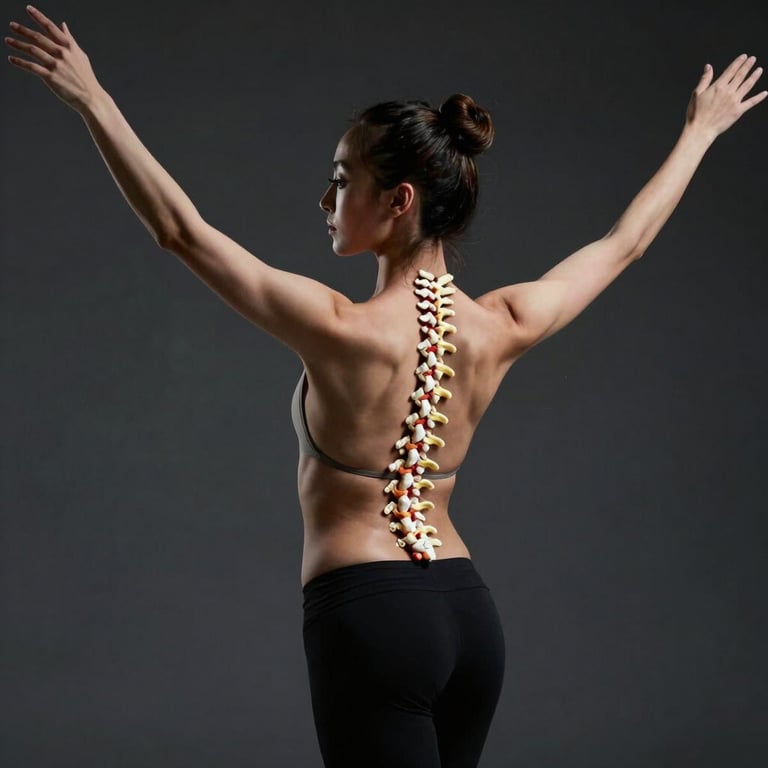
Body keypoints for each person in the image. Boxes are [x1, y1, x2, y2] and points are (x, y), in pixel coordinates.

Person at [6, 6, 765, 767]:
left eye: (342, 182)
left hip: (372, 619)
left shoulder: (338, 327)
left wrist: (94, 101)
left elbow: (180, 231)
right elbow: (623, 246)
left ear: (399, 200)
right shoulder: (502, 322)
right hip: (468, 615)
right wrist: (700, 132)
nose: (326, 202)